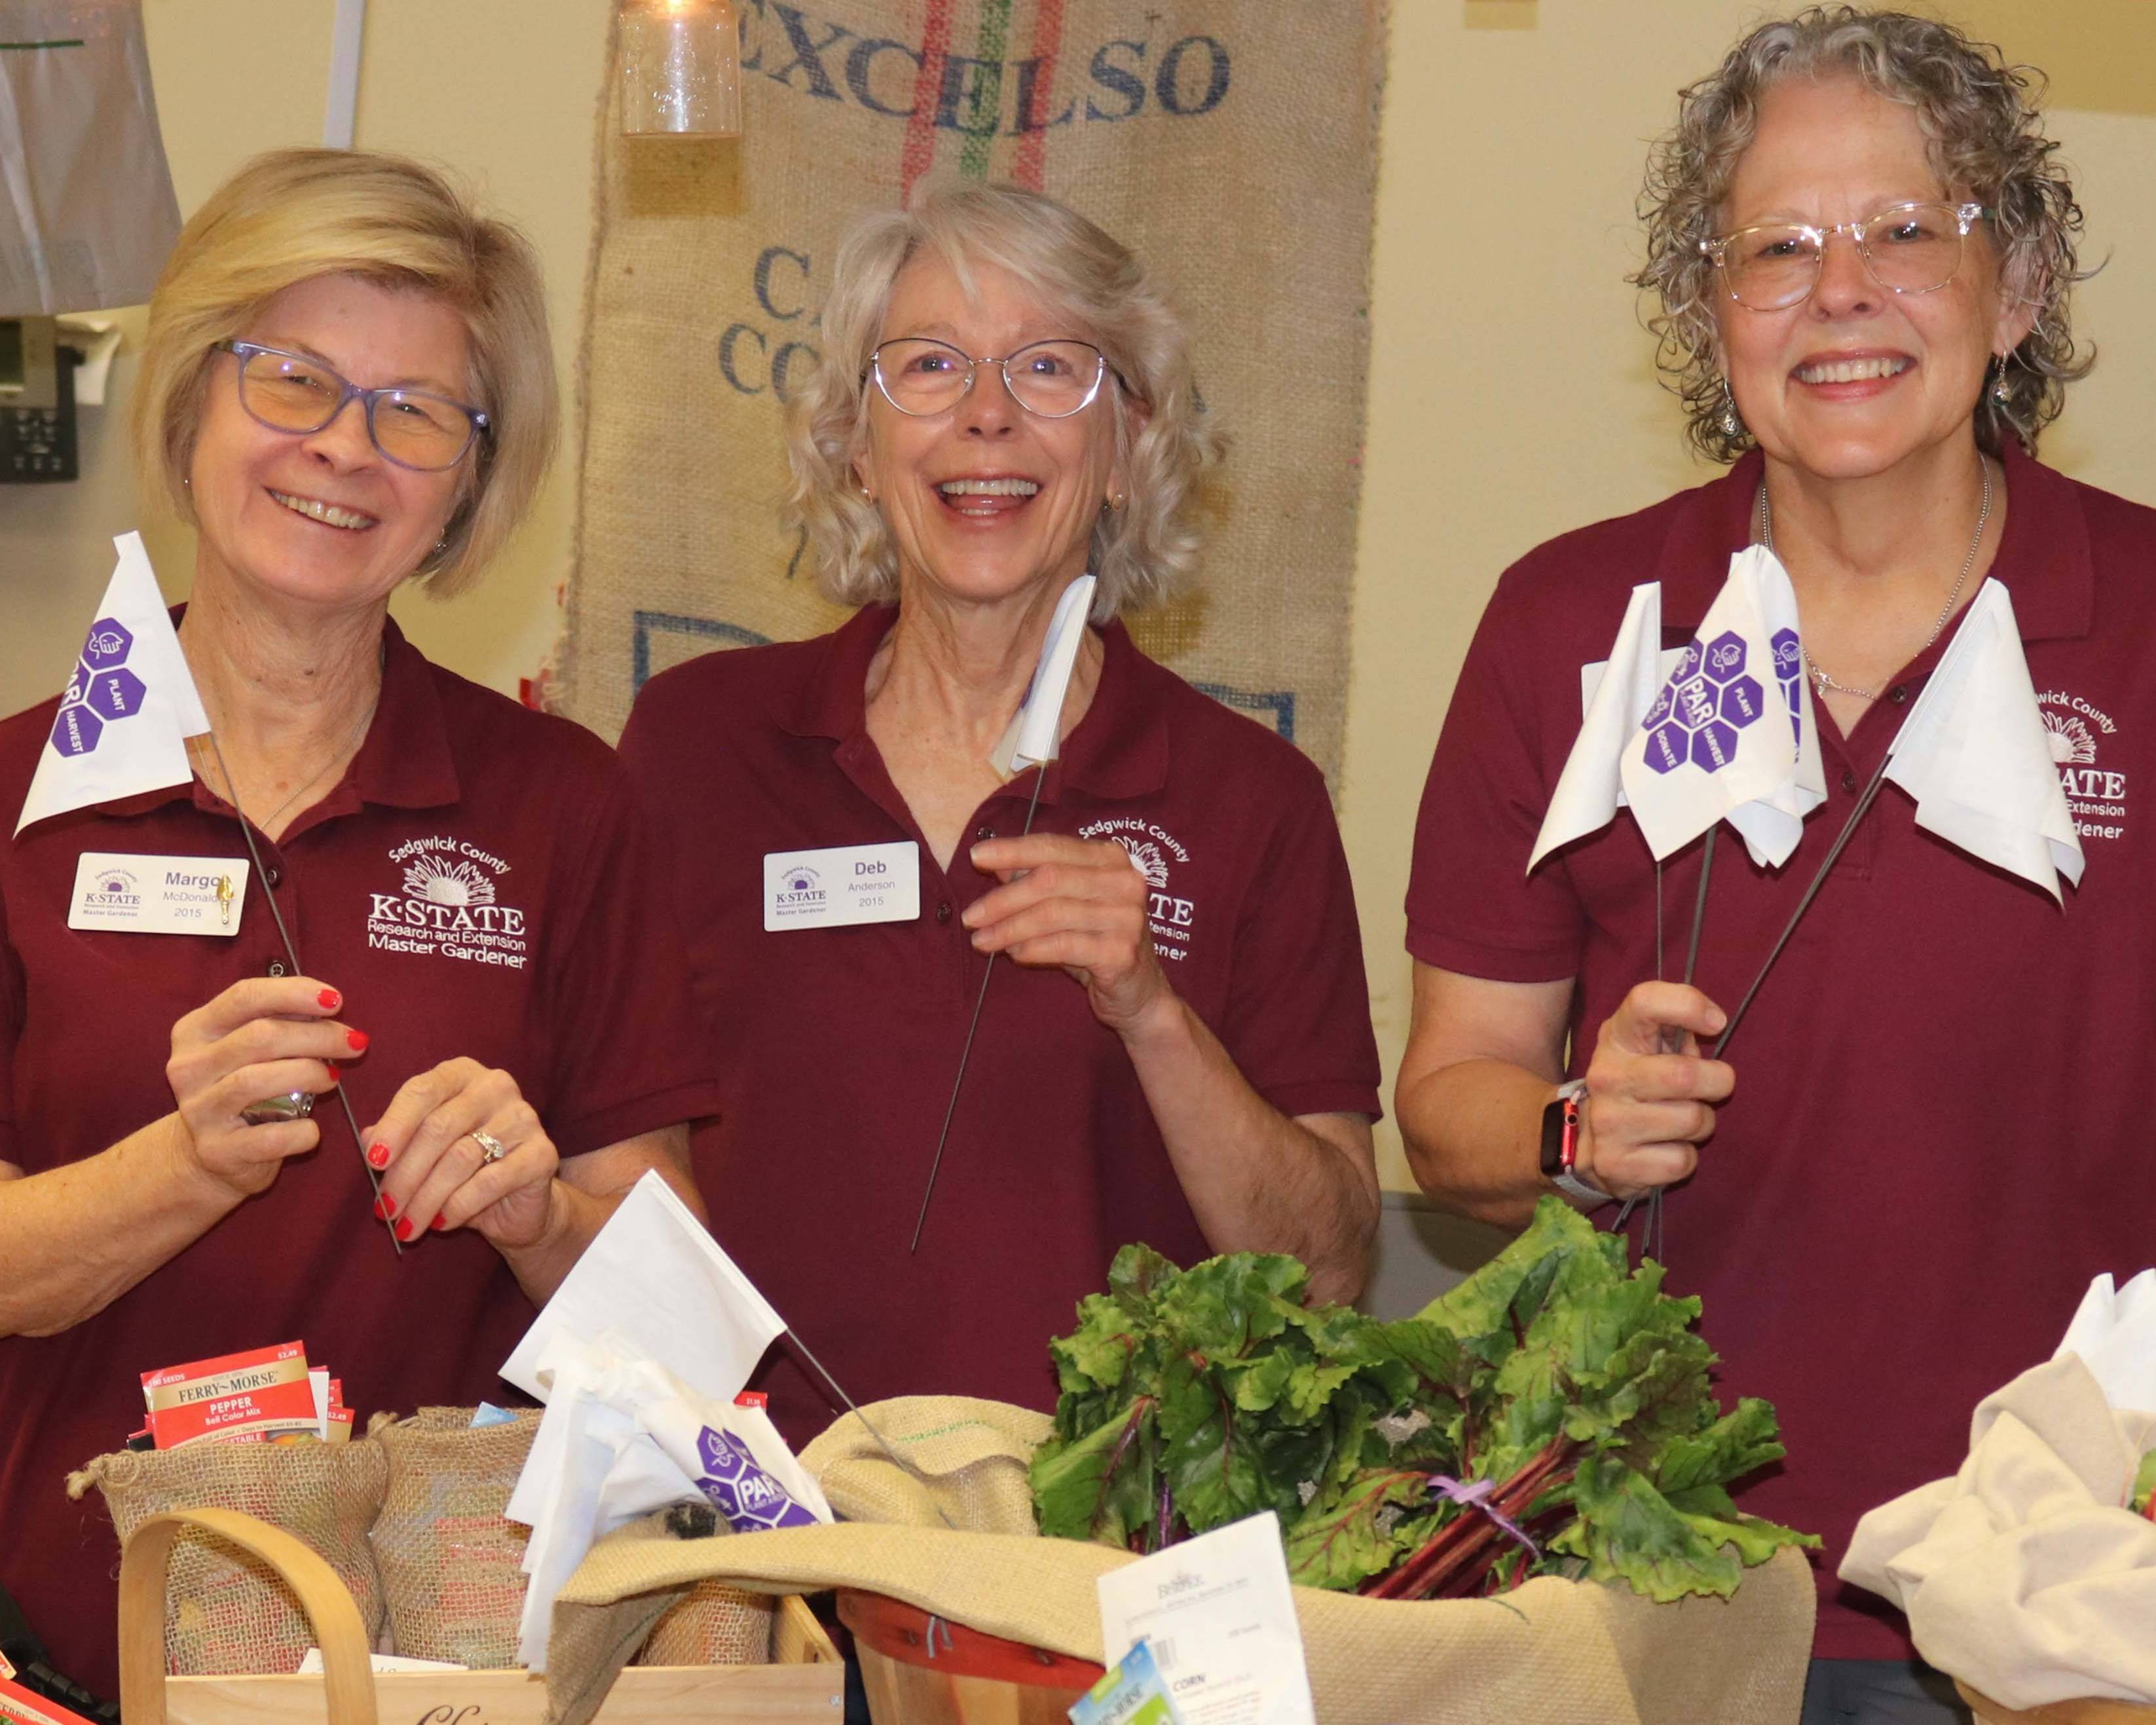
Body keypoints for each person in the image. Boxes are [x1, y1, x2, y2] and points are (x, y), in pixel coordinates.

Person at [1396, 10, 2144, 1720]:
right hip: (1642, 1596)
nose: (1840, 292)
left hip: (2068, 1615)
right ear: (1706, 314)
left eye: (1902, 231)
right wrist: (1572, 1135)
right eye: (1775, 249)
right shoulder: (1574, 622)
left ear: (2012, 285)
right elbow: (1446, 1101)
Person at [0, 149, 719, 1696]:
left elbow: (674, 1338)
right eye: (296, 380)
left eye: (415, 414)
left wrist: (537, 1221)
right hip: (48, 1658)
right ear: (195, 398)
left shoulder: (560, 806)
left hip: (431, 1673)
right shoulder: (12, 800)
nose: (345, 448)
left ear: (469, 483)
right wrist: (175, 1170)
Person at [619, 179, 1381, 1445]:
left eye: (1048, 370)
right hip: (760, 1548)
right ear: (857, 446)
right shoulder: (698, 745)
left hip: (1097, 1568)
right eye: (927, 367)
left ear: (1130, 445)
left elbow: (1331, 1271)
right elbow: (617, 1169)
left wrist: (1151, 1011)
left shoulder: (1253, 801)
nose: (985, 417)